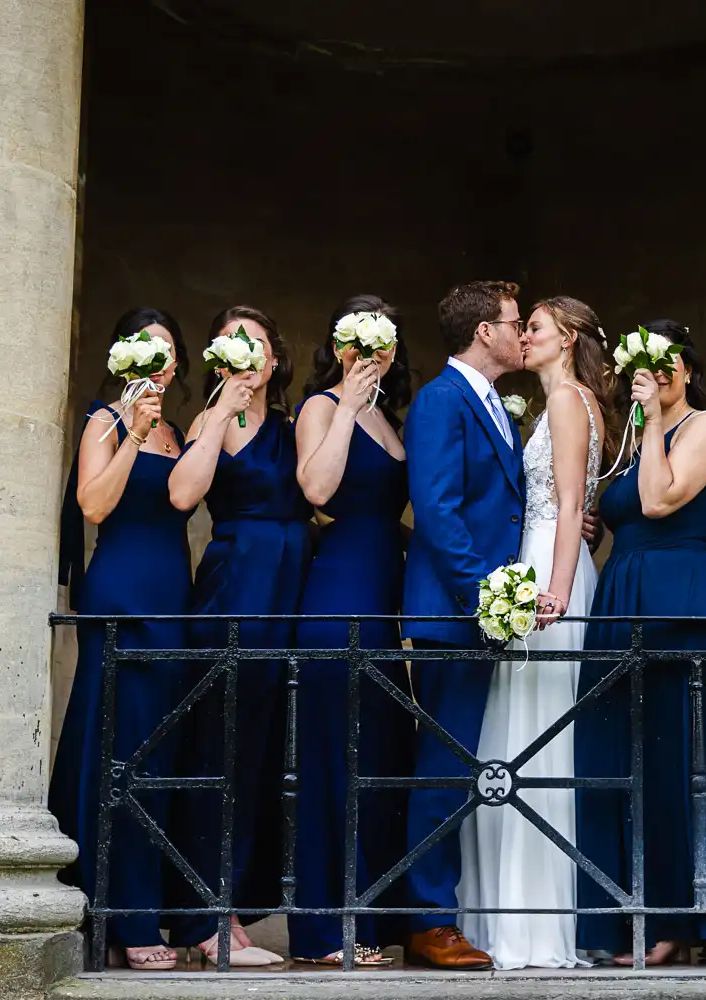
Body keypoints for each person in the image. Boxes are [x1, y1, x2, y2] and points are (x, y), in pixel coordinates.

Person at [574, 319, 706, 966]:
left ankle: (693, 919)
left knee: (688, 761)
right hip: (625, 598)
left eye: (669, 362)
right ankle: (637, 915)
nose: (659, 374)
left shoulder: (703, 425)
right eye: (649, 364)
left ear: (687, 369)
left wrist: (650, 420)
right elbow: (617, 509)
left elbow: (658, 498)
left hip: (683, 598)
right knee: (630, 761)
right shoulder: (634, 434)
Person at [457, 295, 611, 969]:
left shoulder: (571, 402)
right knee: (515, 738)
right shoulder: (555, 405)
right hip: (540, 560)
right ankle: (507, 916)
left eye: (538, 329)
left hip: (551, 574)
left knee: (538, 740)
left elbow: (576, 503)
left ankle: (535, 924)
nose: (526, 338)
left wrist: (553, 586)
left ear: (568, 339)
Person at [165, 306, 308, 967]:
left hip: (289, 588)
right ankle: (201, 915)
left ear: (274, 360)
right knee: (218, 744)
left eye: (256, 342)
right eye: (231, 342)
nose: (245, 352)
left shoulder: (291, 426)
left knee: (261, 750)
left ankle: (235, 905)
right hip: (235, 585)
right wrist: (222, 408)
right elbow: (183, 496)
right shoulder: (209, 422)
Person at [50, 307, 192, 972]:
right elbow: (94, 504)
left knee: (161, 760)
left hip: (175, 600)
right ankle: (119, 913)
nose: (158, 361)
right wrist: (133, 433)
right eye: (146, 348)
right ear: (122, 356)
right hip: (123, 598)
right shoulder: (104, 422)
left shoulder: (181, 430)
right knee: (121, 755)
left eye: (168, 351)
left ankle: (154, 906)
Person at [401, 280, 528, 971]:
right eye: (514, 323)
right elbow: (438, 509)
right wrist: (487, 596)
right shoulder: (440, 400)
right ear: (484, 332)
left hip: (480, 613)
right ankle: (428, 920)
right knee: (443, 767)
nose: (520, 334)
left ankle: (443, 913)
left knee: (463, 764)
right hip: (455, 614)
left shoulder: (490, 405)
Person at [288, 295, 415, 968]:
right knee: (336, 760)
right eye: (362, 343)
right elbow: (317, 488)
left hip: (384, 595)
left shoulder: (394, 420)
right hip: (338, 596)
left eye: (385, 343)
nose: (373, 355)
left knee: (381, 757)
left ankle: (376, 917)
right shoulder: (318, 408)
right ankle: (324, 928)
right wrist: (346, 405)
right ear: (341, 347)